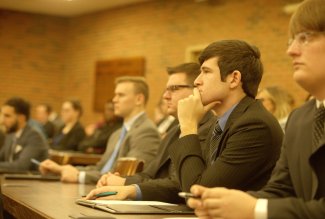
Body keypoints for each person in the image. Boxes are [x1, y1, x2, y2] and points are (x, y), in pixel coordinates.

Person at [84, 40, 283, 203]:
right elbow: (184, 182)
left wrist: (188, 126)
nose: (197, 81)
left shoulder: (254, 125)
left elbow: (196, 189)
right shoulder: (220, 122)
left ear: (234, 79)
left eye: (206, 71)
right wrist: (130, 190)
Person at [187, 1, 325, 219]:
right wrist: (225, 205)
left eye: (305, 38)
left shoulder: (255, 123)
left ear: (234, 78)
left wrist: (253, 209)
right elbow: (281, 191)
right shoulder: (300, 118)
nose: (291, 51)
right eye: (291, 41)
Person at [89, 63, 215, 203]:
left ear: (197, 90)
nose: (165, 96)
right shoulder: (174, 131)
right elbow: (150, 174)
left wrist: (129, 188)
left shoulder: (211, 129)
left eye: (173, 89)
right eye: (166, 90)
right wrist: (120, 180)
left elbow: (182, 184)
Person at [39, 76, 161, 184]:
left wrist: (79, 175)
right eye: (115, 95)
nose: (114, 100)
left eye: (121, 95)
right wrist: (63, 169)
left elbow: (127, 176)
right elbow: (101, 168)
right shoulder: (116, 134)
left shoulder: (146, 131)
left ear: (139, 99)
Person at [0, 97, 48, 171]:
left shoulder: (34, 137)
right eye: (2, 115)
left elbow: (21, 166)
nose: (2, 121)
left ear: (21, 118)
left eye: (7, 116)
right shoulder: (10, 135)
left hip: (29, 181)